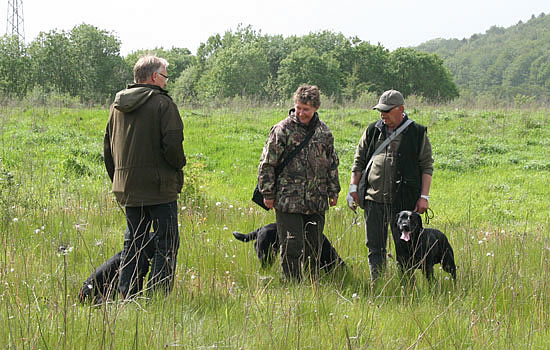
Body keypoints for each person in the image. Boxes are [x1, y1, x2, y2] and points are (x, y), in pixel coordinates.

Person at [104, 55, 186, 298]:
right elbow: (173, 145)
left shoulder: (116, 106)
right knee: (167, 243)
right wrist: (178, 167)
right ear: (154, 77)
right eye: (164, 76)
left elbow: (108, 149)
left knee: (134, 243)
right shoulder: (163, 104)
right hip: (159, 189)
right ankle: (158, 296)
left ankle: (127, 294)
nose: (166, 81)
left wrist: (119, 179)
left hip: (128, 188)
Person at [346, 89, 433, 281]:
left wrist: (424, 197)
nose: (383, 115)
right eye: (380, 111)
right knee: (375, 248)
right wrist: (353, 188)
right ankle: (376, 285)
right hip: (373, 199)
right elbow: (358, 160)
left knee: (406, 249)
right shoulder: (372, 130)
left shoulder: (417, 132)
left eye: (387, 110)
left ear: (400, 109)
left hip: (403, 202)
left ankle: (405, 289)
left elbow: (427, 167)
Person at [257, 84, 340, 282]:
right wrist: (267, 193)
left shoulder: (324, 133)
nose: (301, 113)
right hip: (287, 200)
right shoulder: (282, 130)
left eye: (306, 109)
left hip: (316, 201)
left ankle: (313, 284)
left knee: (314, 246)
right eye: (298, 107)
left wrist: (333, 191)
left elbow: (332, 164)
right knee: (291, 245)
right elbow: (267, 163)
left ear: (316, 108)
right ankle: (292, 284)